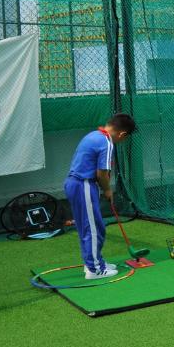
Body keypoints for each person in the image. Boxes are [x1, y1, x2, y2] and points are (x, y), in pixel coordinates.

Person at [65, 113, 137, 279]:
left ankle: (93, 262)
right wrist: (107, 190)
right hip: (83, 185)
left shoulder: (94, 135)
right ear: (122, 134)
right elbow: (102, 173)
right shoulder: (106, 142)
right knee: (94, 229)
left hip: (75, 184)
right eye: (125, 138)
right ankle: (95, 269)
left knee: (90, 227)